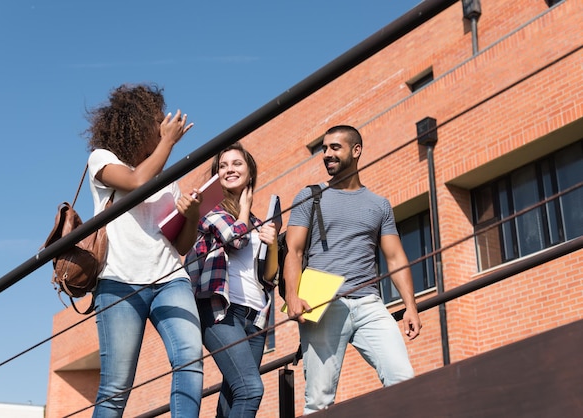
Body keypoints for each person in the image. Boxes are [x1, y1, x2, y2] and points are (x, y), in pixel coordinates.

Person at [283, 125, 422, 414]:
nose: (327, 154)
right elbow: (294, 252)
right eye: (324, 148)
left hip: (370, 303)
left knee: (403, 380)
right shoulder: (310, 196)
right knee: (319, 401)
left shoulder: (379, 205)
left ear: (356, 151)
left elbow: (395, 258)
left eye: (335, 147)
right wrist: (292, 297)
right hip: (323, 305)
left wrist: (411, 305)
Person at [84, 83, 204, 418]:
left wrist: (191, 216)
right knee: (115, 389)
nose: (163, 126)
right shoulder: (102, 160)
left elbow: (180, 245)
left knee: (190, 360)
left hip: (169, 279)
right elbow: (136, 181)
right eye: (157, 121)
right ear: (136, 125)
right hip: (119, 283)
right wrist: (168, 143)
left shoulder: (167, 177)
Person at [185, 142, 279, 417]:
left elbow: (269, 276)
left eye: (237, 163)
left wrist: (272, 245)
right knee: (251, 389)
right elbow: (235, 240)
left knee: (231, 398)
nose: (229, 169)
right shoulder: (209, 211)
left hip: (256, 317)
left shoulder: (259, 223)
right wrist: (245, 206)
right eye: (223, 166)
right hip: (220, 312)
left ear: (250, 172)